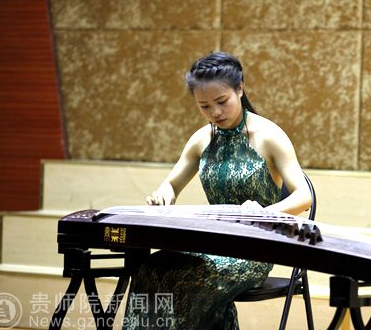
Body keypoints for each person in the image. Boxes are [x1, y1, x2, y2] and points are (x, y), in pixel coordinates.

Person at [122, 51, 312, 329]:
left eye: (222, 102)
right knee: (150, 268)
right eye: (204, 106)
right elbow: (171, 184)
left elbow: (304, 197)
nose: (215, 113)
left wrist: (263, 213)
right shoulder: (201, 139)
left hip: (255, 250)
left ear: (240, 89)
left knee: (186, 280)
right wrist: (164, 195)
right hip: (211, 244)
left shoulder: (269, 136)